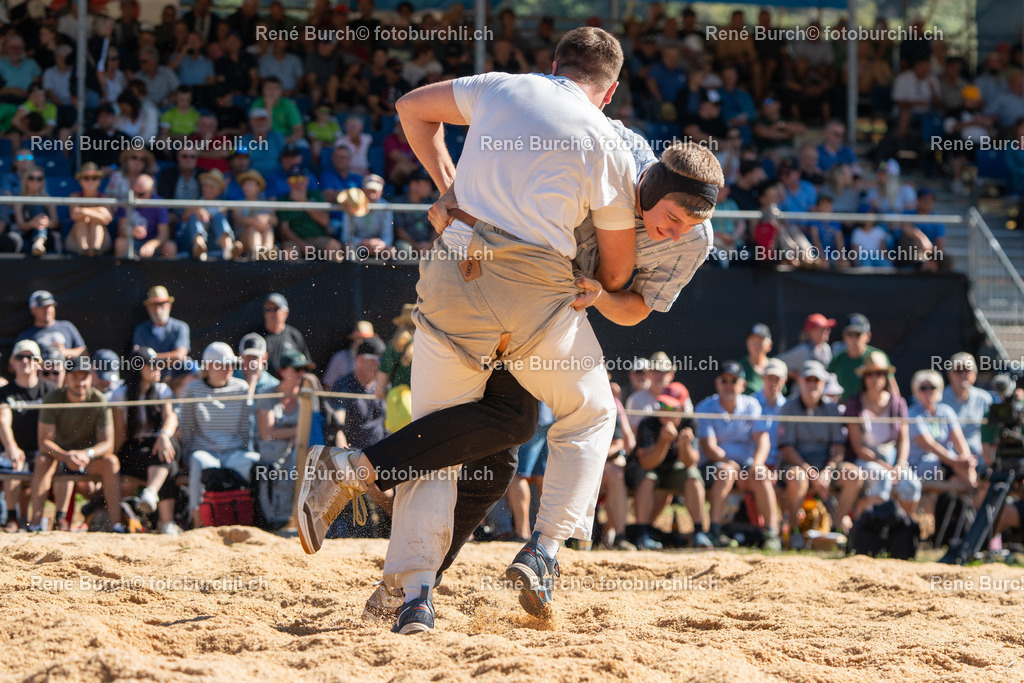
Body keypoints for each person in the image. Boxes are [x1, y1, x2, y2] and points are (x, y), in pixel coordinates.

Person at [297, 27, 654, 633]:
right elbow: (616, 274)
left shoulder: (500, 87)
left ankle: (413, 597)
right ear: (610, 91)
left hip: (452, 270)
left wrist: (450, 186)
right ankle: (543, 549)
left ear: (552, 65)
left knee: (438, 446)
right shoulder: (607, 141)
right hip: (531, 291)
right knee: (590, 413)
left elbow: (410, 108)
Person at [315, 121, 720, 631]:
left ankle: (411, 583)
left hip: (542, 314)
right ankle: (520, 552)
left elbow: (636, 308)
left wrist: (602, 295)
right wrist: (455, 191)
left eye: (692, 224)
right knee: (545, 421)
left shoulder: (694, 239)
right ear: (654, 186)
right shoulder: (608, 145)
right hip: (492, 284)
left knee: (497, 457)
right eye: (674, 217)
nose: (678, 232)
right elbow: (525, 130)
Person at [30, 356, 121, 532]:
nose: (80, 382)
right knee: (42, 460)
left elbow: (108, 444)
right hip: (58, 458)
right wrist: (66, 456)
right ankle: (34, 524)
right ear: (67, 377)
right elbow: (44, 443)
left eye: (84, 377)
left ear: (91, 377)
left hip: (87, 459)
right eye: (75, 377)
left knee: (111, 462)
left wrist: (86, 454)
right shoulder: (53, 398)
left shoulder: (99, 400)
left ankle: (116, 525)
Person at [696, 361, 781, 550]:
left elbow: (763, 440)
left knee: (761, 474)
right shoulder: (705, 407)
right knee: (726, 472)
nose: (728, 385)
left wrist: (757, 465)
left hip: (745, 466)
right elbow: (709, 447)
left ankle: (771, 534)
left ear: (742, 385)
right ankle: (715, 530)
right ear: (717, 383)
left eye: (733, 381)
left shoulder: (752, 405)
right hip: (713, 466)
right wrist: (731, 464)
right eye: (724, 380)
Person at [777, 360, 858, 544]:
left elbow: (838, 447)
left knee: (853, 474)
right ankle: (794, 533)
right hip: (795, 465)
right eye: (808, 380)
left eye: (817, 380)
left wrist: (827, 471)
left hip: (825, 465)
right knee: (798, 478)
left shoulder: (831, 409)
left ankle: (837, 531)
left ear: (823, 383)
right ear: (800, 382)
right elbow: (787, 449)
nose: (812, 384)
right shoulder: (788, 407)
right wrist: (810, 472)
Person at [178, 342, 259, 523]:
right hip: (205, 452)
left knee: (257, 463)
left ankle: (253, 518)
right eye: (224, 364)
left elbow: (246, 428)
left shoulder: (241, 388)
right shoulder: (192, 390)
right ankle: (196, 520)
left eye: (231, 364)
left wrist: (247, 450)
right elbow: (188, 428)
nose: (229, 369)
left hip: (235, 453)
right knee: (198, 460)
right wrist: (186, 458)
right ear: (210, 366)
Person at [111, 346, 182, 535]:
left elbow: (171, 418)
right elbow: (120, 433)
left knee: (168, 449)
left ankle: (151, 493)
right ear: (138, 368)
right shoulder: (121, 394)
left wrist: (164, 435)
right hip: (134, 450)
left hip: (157, 444)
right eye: (152, 365)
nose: (158, 369)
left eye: (159, 364)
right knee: (168, 463)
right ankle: (166, 523)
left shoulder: (162, 390)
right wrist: (113, 460)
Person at [629, 388, 711, 550]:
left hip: (673, 471)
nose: (664, 411)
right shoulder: (648, 423)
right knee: (648, 478)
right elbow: (646, 464)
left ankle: (699, 532)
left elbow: (690, 462)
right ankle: (642, 534)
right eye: (661, 405)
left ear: (681, 409)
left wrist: (685, 446)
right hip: (646, 471)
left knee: (693, 476)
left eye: (671, 408)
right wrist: (664, 441)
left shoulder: (690, 423)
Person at [844, 352, 914, 516]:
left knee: (911, 485)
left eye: (880, 374)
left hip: (893, 458)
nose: (875, 378)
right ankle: (865, 530)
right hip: (865, 459)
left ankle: (901, 530)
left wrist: (900, 464)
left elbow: (904, 439)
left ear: (886, 377)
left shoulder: (898, 403)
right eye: (870, 374)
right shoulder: (854, 403)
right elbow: (857, 445)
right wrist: (882, 464)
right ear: (864, 378)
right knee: (882, 478)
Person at [0, 340, 56, 532]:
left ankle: (36, 521)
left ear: (39, 362)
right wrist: (11, 447)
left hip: (43, 450)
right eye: (20, 357)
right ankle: (12, 517)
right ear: (12, 363)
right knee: (12, 460)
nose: (25, 361)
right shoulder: (4, 392)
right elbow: (3, 420)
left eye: (30, 357)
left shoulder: (50, 391)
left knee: (43, 459)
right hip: (13, 450)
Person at [907, 369, 978, 494]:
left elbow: (959, 439)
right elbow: (930, 445)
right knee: (960, 470)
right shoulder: (912, 414)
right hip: (920, 466)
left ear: (939, 389)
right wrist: (956, 461)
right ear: (916, 391)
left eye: (932, 387)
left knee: (961, 475)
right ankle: (977, 501)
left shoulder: (946, 411)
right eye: (923, 388)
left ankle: (973, 504)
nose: (928, 391)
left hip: (947, 463)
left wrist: (966, 458)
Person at [132, 286, 192, 393]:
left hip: (176, 383)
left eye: (161, 304)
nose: (158, 309)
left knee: (190, 366)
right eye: (154, 305)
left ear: (169, 306)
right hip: (150, 386)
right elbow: (140, 360)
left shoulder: (181, 327)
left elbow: (180, 356)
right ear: (148, 308)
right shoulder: (140, 330)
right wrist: (170, 359)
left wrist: (151, 360)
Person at [941, 352, 993, 464]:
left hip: (980, 459)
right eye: (958, 371)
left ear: (975, 374)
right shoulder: (940, 399)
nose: (963, 375)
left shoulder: (984, 399)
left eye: (968, 371)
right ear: (950, 375)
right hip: (949, 459)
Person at [829, 313, 888, 402]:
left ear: (868, 336)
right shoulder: (837, 359)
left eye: (857, 334)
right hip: (843, 411)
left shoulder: (878, 357)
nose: (853, 339)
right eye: (850, 334)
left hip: (872, 411)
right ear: (844, 336)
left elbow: (892, 388)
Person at [16, 290, 86, 359]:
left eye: (50, 306)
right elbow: (14, 363)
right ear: (33, 309)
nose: (47, 310)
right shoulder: (26, 335)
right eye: (42, 307)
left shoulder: (66, 326)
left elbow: (83, 352)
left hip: (68, 368)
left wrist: (64, 353)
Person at [259, 293, 312, 377]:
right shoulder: (258, 338)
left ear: (286, 312)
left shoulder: (294, 335)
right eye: (268, 309)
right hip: (266, 388)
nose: (272, 313)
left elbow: (305, 365)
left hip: (291, 386)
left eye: (276, 309)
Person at [776, 314, 836, 387]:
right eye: (823, 329)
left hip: (822, 390)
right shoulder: (803, 350)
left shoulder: (826, 348)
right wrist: (797, 377)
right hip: (802, 393)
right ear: (811, 331)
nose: (827, 331)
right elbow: (777, 362)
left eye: (827, 328)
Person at [67, 163, 113, 257]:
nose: (90, 181)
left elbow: (107, 219)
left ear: (99, 181)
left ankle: (96, 248)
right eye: (86, 178)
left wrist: (83, 211)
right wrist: (100, 210)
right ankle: (84, 249)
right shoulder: (74, 196)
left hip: (103, 243)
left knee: (95, 222)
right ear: (80, 181)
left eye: (94, 178)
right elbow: (74, 215)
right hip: (75, 242)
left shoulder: (105, 198)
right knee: (81, 221)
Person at [322, 321, 377, 389]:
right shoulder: (340, 358)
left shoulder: (377, 360)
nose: (360, 342)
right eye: (358, 338)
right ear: (353, 339)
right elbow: (328, 386)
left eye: (364, 339)